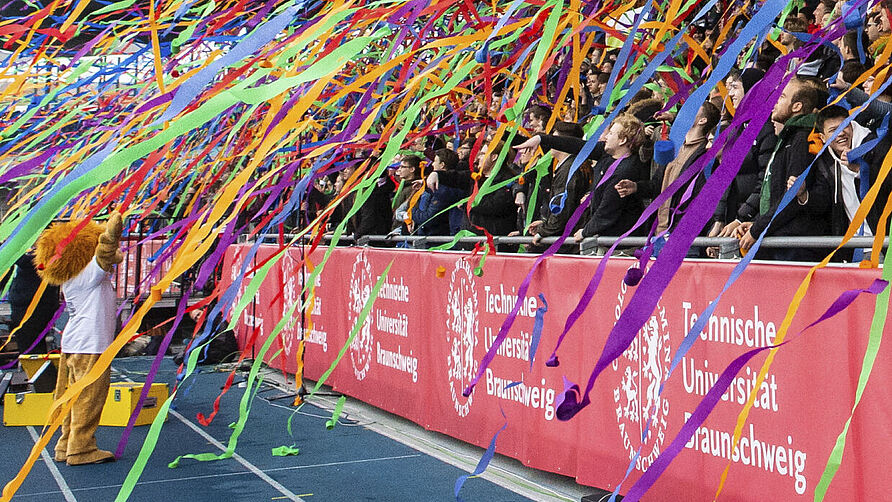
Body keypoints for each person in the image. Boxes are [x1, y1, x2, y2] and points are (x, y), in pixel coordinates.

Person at [35, 213, 124, 465]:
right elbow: (104, 254)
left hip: (73, 344)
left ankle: (65, 445)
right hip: (90, 345)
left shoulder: (72, 279)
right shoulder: (88, 274)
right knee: (90, 397)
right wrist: (110, 235)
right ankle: (81, 449)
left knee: (71, 397)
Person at [736, 77, 831, 261]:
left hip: (794, 245)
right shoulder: (789, 137)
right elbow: (777, 191)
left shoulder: (802, 139)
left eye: (781, 97)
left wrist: (758, 228)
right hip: (782, 237)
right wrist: (757, 221)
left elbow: (792, 196)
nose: (775, 102)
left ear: (796, 106)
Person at [814, 105, 892, 260]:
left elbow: (887, 183)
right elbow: (822, 202)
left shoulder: (875, 145)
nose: (841, 133)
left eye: (844, 126)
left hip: (884, 242)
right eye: (833, 130)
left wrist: (859, 170)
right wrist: (804, 196)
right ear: (823, 138)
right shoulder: (825, 162)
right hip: (855, 247)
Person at [574, 114, 648, 243]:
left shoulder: (626, 170)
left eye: (611, 133)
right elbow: (575, 145)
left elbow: (608, 209)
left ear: (622, 140)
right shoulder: (608, 157)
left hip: (620, 245)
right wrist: (541, 139)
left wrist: (585, 231)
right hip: (608, 239)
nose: (606, 137)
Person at [8, 253, 60, 354]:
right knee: (26, 344)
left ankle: (39, 368)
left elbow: (28, 262)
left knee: (31, 348)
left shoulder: (48, 251)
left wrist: (12, 248)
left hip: (34, 306)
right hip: (24, 304)